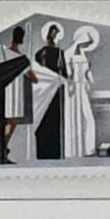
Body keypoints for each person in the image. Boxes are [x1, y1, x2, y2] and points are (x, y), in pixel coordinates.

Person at [0, 25, 35, 164]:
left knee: (8, 123)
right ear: (22, 39)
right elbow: (32, 78)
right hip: (12, 93)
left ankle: (2, 150)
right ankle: (2, 150)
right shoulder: (20, 58)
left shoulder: (2, 52)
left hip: (6, 91)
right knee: (12, 122)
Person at [32, 24, 68, 160]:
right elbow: (64, 75)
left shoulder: (56, 53)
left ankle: (49, 153)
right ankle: (48, 152)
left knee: (50, 121)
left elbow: (63, 74)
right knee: (47, 121)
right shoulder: (53, 53)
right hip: (48, 93)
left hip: (50, 93)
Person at [64, 27, 99, 158]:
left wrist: (90, 81)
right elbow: (67, 74)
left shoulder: (85, 56)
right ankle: (72, 151)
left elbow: (88, 74)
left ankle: (88, 149)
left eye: (88, 44)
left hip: (83, 89)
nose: (86, 46)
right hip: (72, 90)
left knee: (88, 118)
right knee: (73, 118)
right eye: (85, 43)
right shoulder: (68, 54)